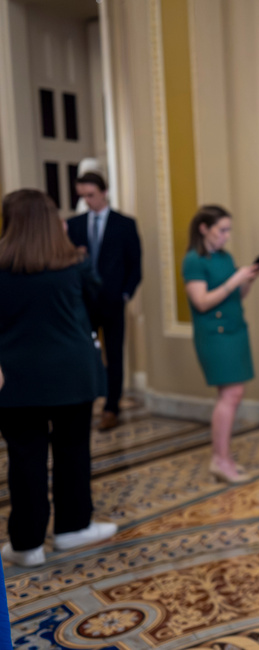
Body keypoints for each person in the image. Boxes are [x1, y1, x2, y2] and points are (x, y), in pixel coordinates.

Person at [0, 189, 117, 568]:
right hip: (72, 372)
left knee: (25, 460)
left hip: (16, 378)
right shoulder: (75, 263)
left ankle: (27, 544)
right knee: (72, 450)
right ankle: (72, 528)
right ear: (53, 221)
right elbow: (101, 309)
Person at [182, 205, 259, 483]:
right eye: (222, 230)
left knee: (233, 395)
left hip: (234, 329)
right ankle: (219, 459)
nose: (227, 236)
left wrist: (248, 280)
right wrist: (234, 280)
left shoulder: (225, 257)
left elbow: (236, 296)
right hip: (214, 334)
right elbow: (201, 302)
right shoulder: (194, 260)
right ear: (204, 229)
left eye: (229, 230)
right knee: (230, 395)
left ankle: (223, 457)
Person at [67, 172, 142, 431]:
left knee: (114, 355)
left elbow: (136, 266)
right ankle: (82, 403)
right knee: (82, 354)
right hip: (83, 304)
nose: (87, 200)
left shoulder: (125, 224)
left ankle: (111, 408)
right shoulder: (73, 225)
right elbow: (66, 266)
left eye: (91, 195)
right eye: (83, 196)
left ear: (103, 192)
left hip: (113, 302)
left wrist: (124, 294)